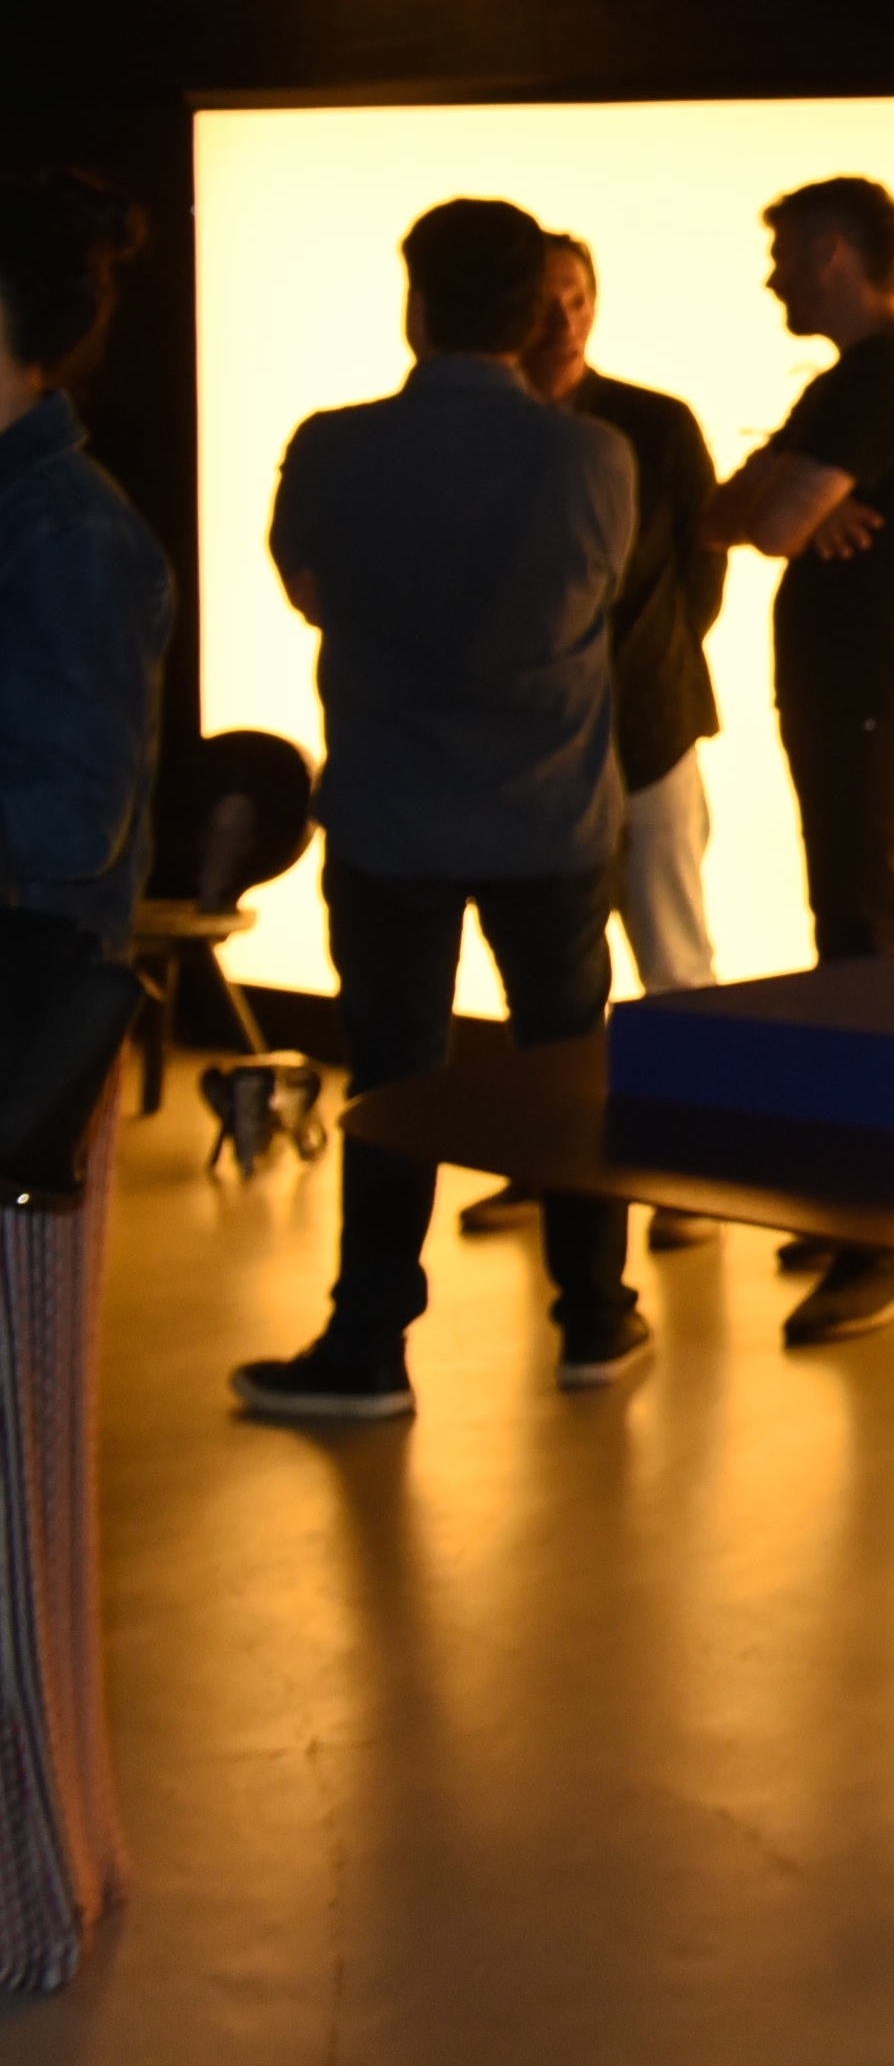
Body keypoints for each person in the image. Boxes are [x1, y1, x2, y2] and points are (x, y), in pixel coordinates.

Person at [233, 197, 650, 1421]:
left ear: (415, 304)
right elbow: (598, 598)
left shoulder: (333, 447)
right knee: (572, 1070)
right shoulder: (595, 458)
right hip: (552, 818)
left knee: (393, 1076)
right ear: (533, 316)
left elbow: (308, 589)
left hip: (389, 811)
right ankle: (595, 1315)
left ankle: (369, 1341)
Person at [702, 176, 894, 1346]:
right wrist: (794, 497)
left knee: (872, 951)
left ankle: (892, 1236)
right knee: (866, 940)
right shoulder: (852, 383)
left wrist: (792, 500)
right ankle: (878, 1203)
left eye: (784, 254)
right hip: (856, 698)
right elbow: (723, 511)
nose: (772, 276)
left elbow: (761, 522)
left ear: (829, 254)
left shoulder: (882, 381)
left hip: (871, 697)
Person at [0, 169, 168, 1988]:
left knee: (6, 1506)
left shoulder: (64, 530)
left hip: (17, 1059)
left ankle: (22, 1893)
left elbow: (63, 823)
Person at [457, 231, 729, 1251]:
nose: (564, 317)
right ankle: (551, 1163)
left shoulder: (654, 423)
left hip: (649, 725)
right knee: (546, 969)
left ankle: (692, 1170)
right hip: (534, 746)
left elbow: (698, 574)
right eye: (546, 299)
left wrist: (643, 665)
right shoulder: (495, 432)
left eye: (577, 296)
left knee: (673, 955)